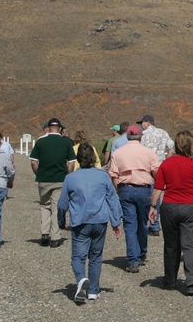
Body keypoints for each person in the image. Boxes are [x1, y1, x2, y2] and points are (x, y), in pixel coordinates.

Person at [57, 143, 123, 303]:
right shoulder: (102, 176)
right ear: (94, 157)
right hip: (99, 220)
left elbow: (62, 204)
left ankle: (81, 279)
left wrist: (61, 220)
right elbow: (112, 200)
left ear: (78, 159)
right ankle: (93, 290)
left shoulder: (70, 178)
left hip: (80, 221)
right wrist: (115, 222)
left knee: (78, 257)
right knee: (95, 256)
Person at [149, 130, 193, 296]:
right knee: (190, 245)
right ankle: (191, 283)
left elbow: (158, 187)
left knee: (171, 245)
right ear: (188, 146)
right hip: (190, 207)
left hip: (169, 206)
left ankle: (170, 280)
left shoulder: (166, 164)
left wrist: (153, 206)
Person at [108, 125, 160, 274]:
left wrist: (120, 190)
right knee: (142, 223)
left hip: (126, 189)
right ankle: (142, 252)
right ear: (140, 137)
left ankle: (133, 260)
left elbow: (114, 175)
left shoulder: (118, 152)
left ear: (127, 137)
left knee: (130, 225)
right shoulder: (148, 152)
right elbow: (156, 171)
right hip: (144, 189)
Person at [29, 118, 77, 247]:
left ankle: (45, 233)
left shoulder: (40, 141)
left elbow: (34, 161)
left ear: (48, 128)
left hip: (44, 179)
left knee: (44, 205)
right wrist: (68, 176)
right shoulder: (66, 142)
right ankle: (55, 236)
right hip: (60, 179)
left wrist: (38, 173)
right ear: (60, 129)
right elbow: (71, 162)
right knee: (56, 207)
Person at [140, 114, 174, 236]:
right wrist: (166, 162)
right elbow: (171, 149)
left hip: (147, 169)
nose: (141, 126)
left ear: (147, 122)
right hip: (160, 168)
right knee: (157, 196)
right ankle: (155, 225)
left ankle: (148, 223)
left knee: (146, 196)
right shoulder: (163, 133)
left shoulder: (143, 135)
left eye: (141, 123)